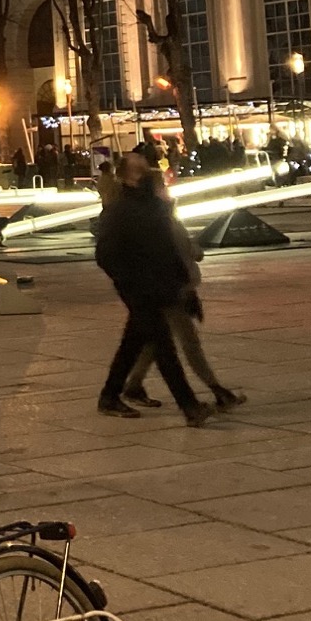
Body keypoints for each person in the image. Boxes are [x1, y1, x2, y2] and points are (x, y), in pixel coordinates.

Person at [95, 153, 209, 425]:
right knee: (163, 347)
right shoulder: (119, 211)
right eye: (139, 171)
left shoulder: (154, 208)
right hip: (139, 290)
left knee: (132, 344)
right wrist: (128, 282)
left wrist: (183, 286)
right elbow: (105, 255)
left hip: (159, 286)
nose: (145, 175)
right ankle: (189, 406)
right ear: (126, 177)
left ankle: (110, 396)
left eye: (146, 169)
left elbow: (169, 251)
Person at [122, 184, 244, 411]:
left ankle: (133, 385)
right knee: (189, 343)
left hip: (170, 289)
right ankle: (217, 390)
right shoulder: (164, 223)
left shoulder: (161, 220)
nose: (169, 194)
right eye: (163, 190)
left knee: (155, 341)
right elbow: (188, 254)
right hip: (174, 292)